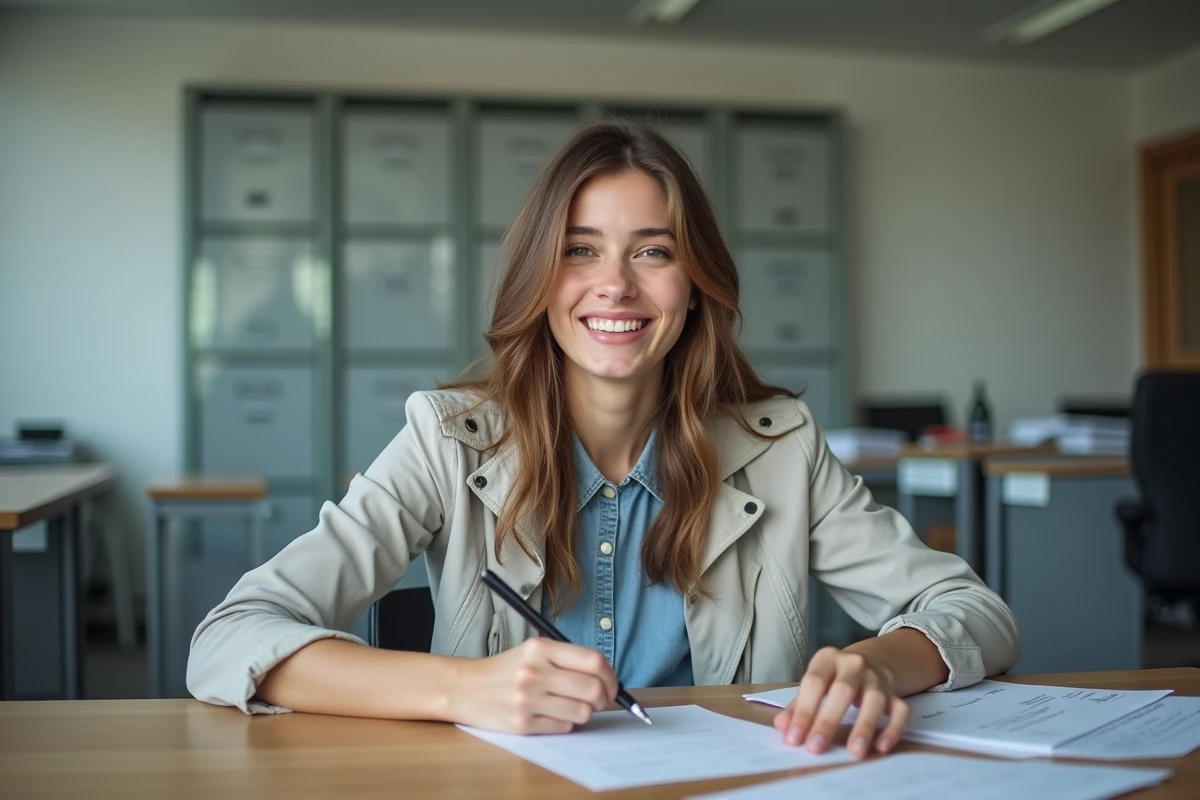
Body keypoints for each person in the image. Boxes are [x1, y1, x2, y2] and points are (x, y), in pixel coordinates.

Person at [187, 121, 1019, 759]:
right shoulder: (449, 440)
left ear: (695, 287)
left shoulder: (782, 448)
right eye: (580, 251)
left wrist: (878, 664)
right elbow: (230, 637)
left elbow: (975, 612)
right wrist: (464, 688)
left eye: (652, 252)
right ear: (541, 281)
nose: (614, 284)